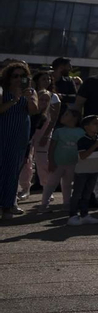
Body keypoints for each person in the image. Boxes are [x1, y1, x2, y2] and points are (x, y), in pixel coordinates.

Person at [0, 63, 37, 220]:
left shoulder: (30, 91)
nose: (19, 79)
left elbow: (34, 111)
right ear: (8, 77)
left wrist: (28, 98)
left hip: (20, 134)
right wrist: (14, 99)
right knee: (2, 168)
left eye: (22, 76)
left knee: (14, 170)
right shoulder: (3, 90)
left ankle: (9, 204)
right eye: (15, 76)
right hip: (4, 133)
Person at [67, 114, 98, 225]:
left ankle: (84, 214)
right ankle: (73, 215)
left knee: (88, 193)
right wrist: (95, 145)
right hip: (82, 171)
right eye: (95, 123)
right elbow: (83, 156)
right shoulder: (83, 140)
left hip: (94, 170)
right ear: (86, 127)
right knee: (77, 193)